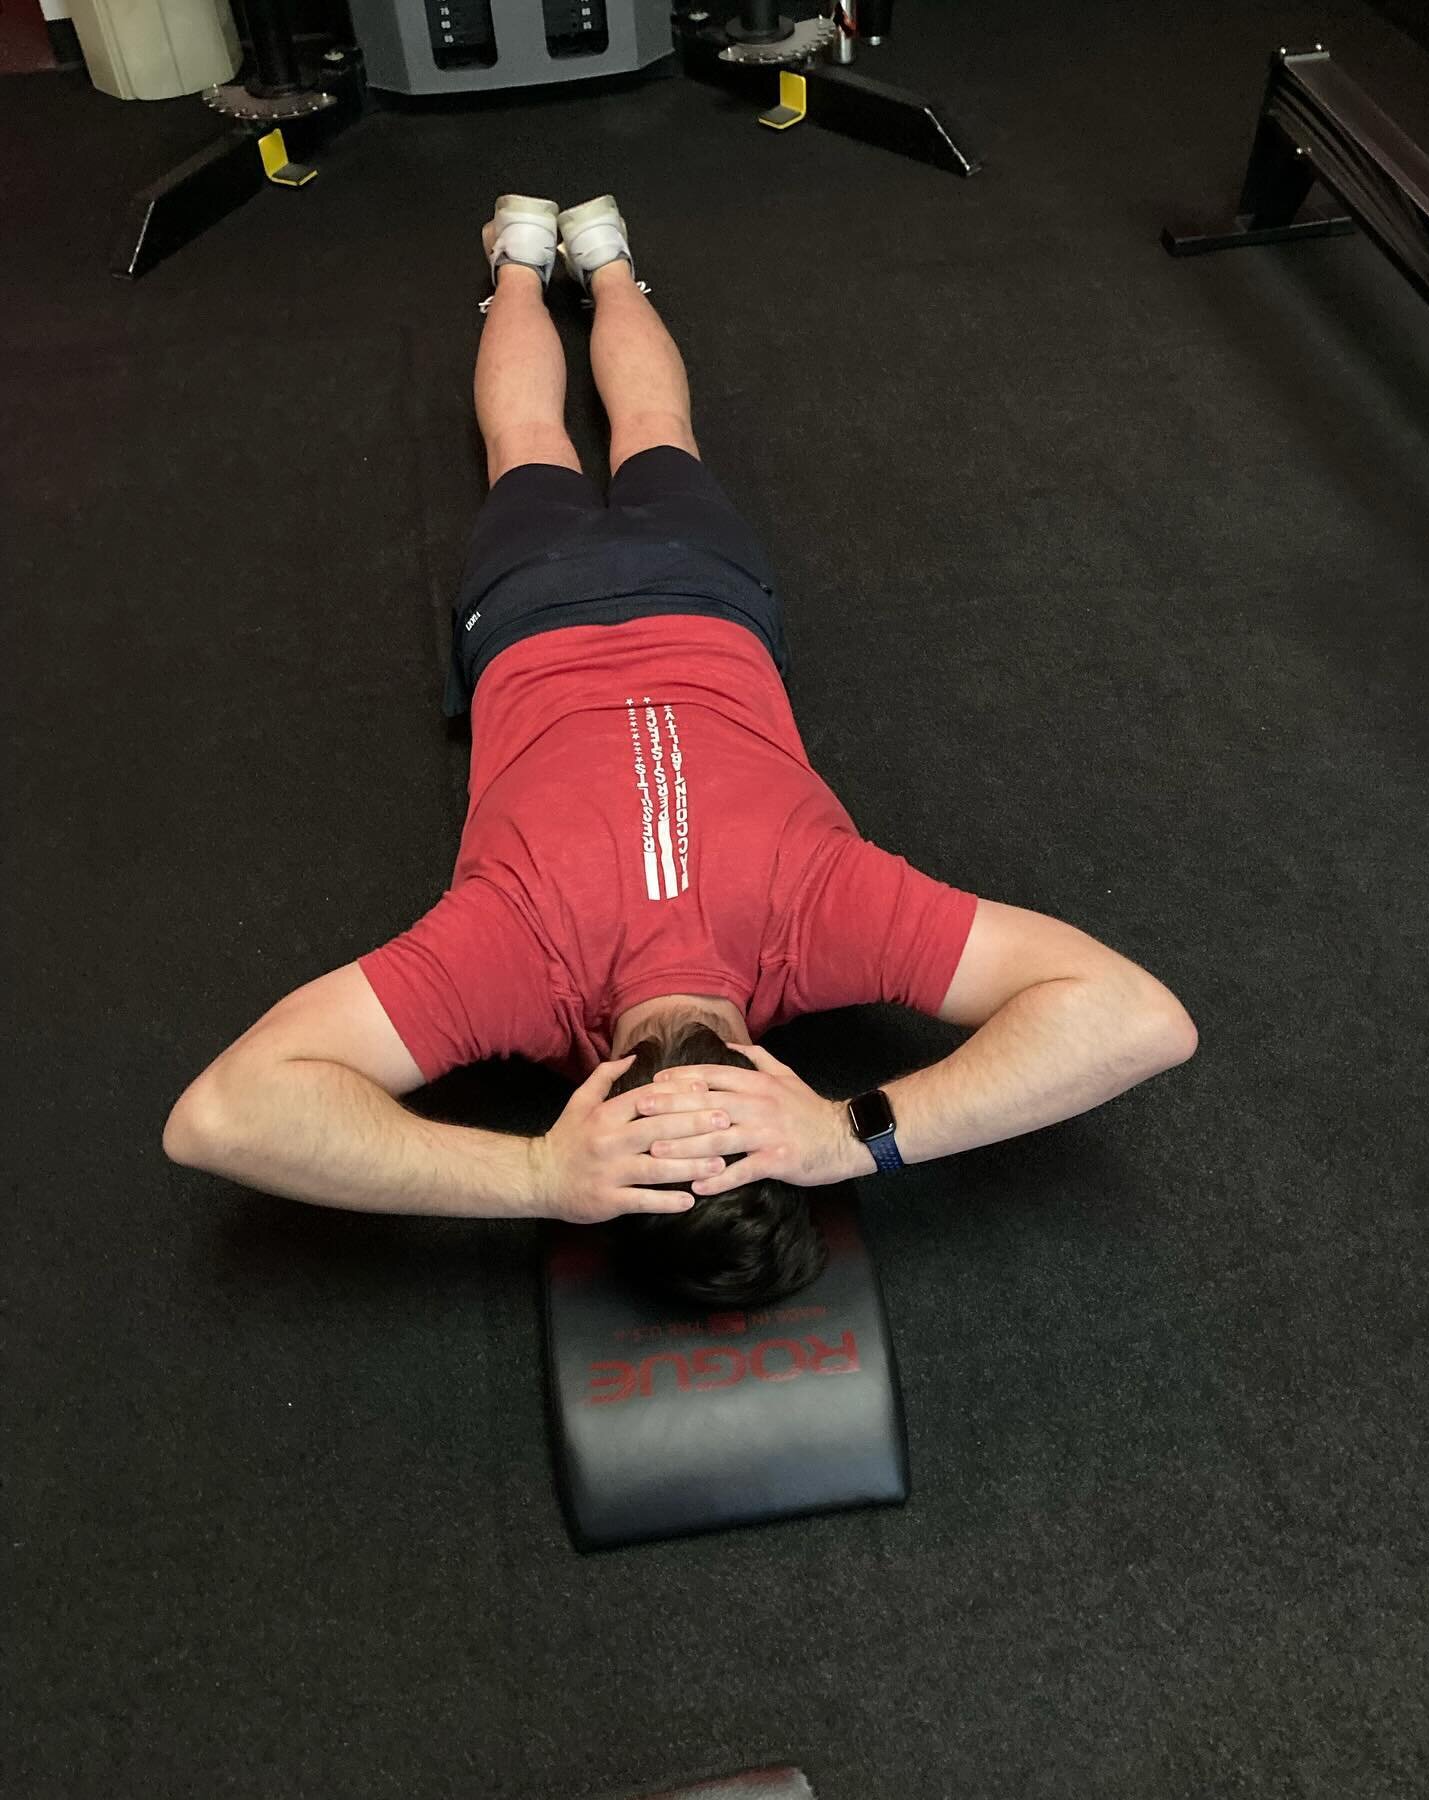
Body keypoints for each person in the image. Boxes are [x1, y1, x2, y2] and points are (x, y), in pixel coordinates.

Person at [162, 195, 1197, 1307]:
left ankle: (600, 259)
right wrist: (537, 1174)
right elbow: (221, 1117)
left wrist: (853, 1137)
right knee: (530, 451)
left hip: (700, 595)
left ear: (774, 1084)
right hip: (538, 610)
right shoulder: (510, 964)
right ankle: (524, 259)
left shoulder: (826, 916)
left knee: (652, 434)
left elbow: (1139, 1018)